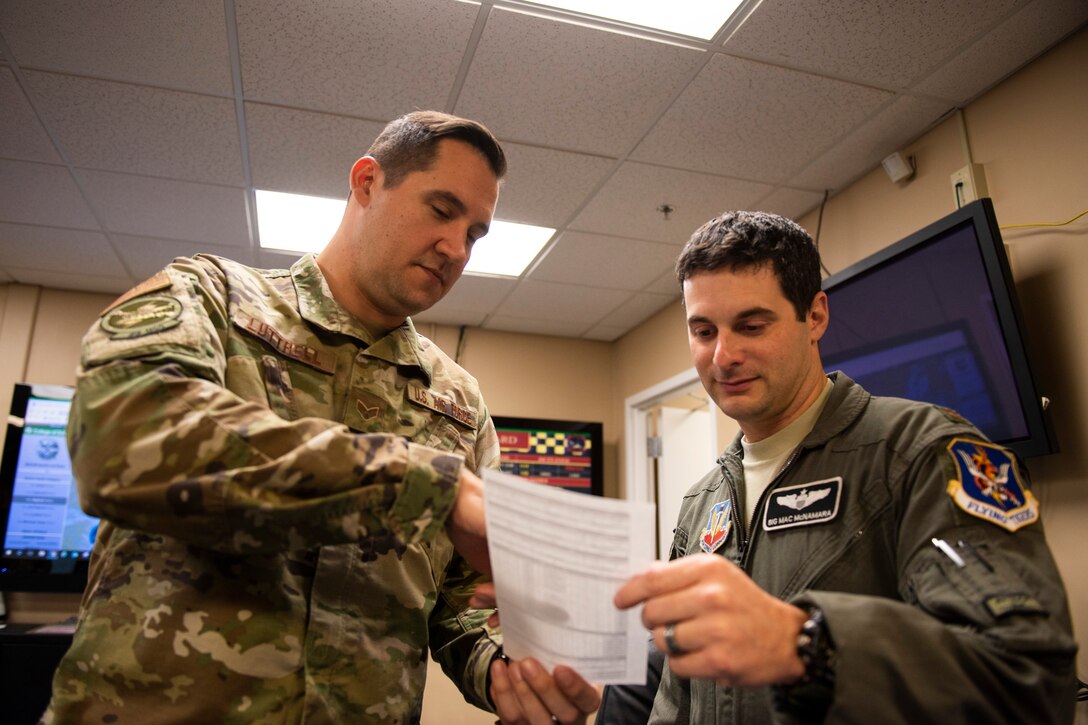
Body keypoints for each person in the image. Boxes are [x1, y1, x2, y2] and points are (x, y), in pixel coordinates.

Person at [44, 111, 599, 724]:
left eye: (476, 233)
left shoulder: (459, 403)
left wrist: (500, 668)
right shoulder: (211, 297)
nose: (456, 248)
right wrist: (423, 486)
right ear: (367, 182)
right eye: (442, 210)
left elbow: (459, 603)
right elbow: (123, 434)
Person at [603, 211, 1077, 723]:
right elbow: (680, 693)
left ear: (816, 316)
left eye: (751, 325)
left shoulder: (921, 453)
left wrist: (808, 647)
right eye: (703, 331)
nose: (723, 356)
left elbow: (1027, 677)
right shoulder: (704, 499)